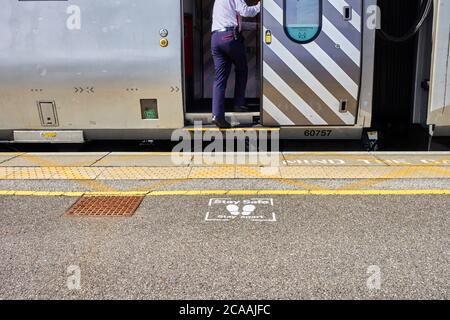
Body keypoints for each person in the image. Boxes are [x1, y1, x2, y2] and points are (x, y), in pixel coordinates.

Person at [211, 0, 261, 128]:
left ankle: (217, 115)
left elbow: (234, 20)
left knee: (219, 79)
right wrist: (261, 6)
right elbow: (245, 12)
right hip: (229, 37)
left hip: (215, 38)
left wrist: (255, 26)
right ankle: (238, 104)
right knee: (242, 68)